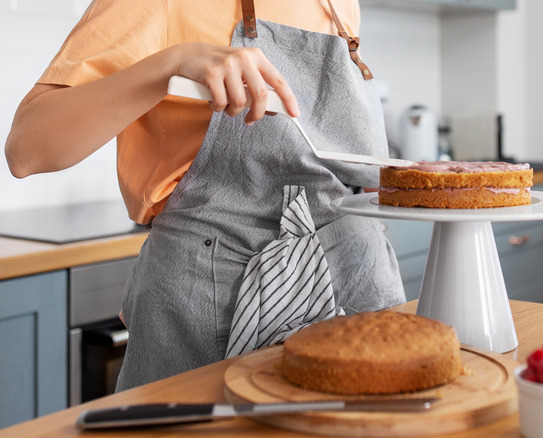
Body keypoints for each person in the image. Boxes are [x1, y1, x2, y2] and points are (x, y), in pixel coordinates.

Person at [4, 0, 405, 390]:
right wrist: (170, 63)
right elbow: (27, 150)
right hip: (216, 296)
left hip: (355, 279)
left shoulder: (341, 5)